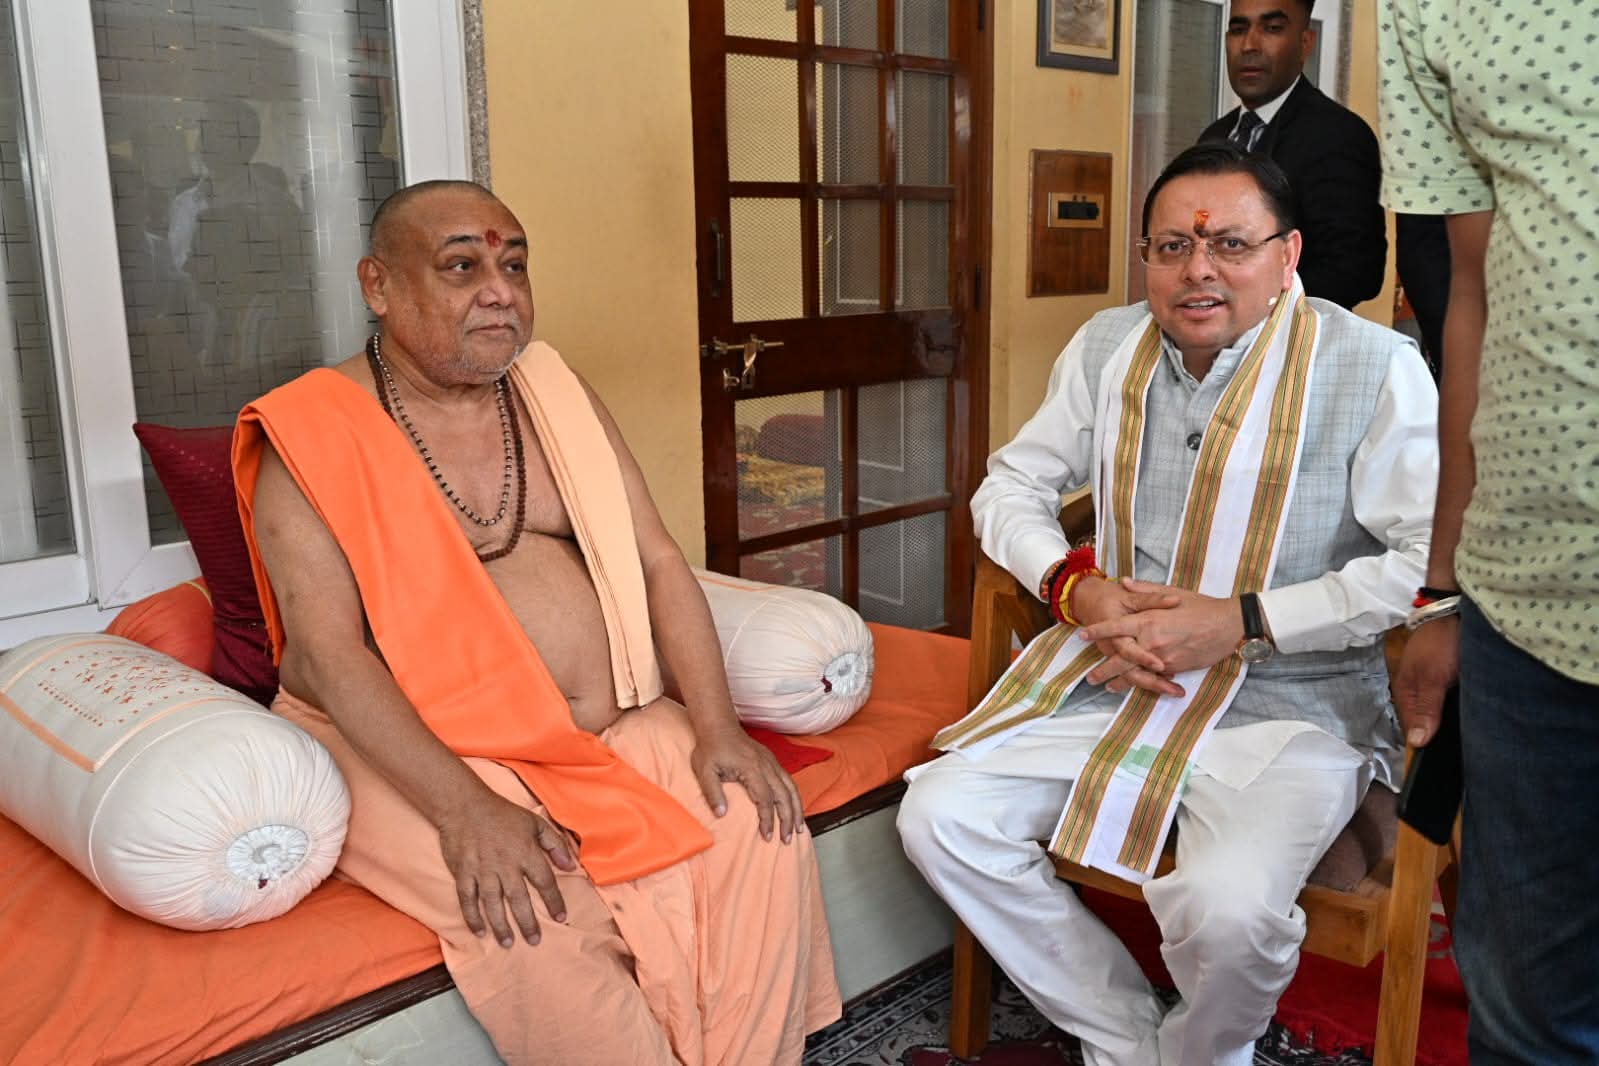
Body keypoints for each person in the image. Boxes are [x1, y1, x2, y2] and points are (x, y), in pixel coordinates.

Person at [231, 180, 840, 1065]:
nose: (499, 292)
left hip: (605, 727)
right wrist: (464, 810)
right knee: (532, 906)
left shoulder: (553, 392)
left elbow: (657, 559)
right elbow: (326, 657)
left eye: (514, 266)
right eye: (461, 267)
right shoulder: (311, 430)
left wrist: (717, 727)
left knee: (756, 823)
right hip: (428, 749)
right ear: (378, 285)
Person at [897, 143, 1436, 1066]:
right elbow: (1008, 487)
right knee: (939, 820)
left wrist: (1243, 620)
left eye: (1230, 244)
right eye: (1171, 247)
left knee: (1227, 910)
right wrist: (1075, 587)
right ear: (1145, 256)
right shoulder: (1107, 346)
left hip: (1291, 703)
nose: (1198, 270)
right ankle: (1128, 1039)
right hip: (1117, 678)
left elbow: (1423, 566)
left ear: (1288, 253)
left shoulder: (1371, 365)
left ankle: (1192, 1053)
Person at [1378, 5, 1599, 1062]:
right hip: (1528, 603)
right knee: (1524, 1013)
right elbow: (1466, 292)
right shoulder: (1431, 10)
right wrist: (1443, 591)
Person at [1198, 0, 1386, 310]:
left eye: (1272, 28)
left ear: (1305, 42)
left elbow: (1357, 270)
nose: (1249, 45)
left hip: (1294, 332)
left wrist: (1254, 309)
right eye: (1238, 29)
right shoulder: (1214, 137)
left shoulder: (1338, 135)